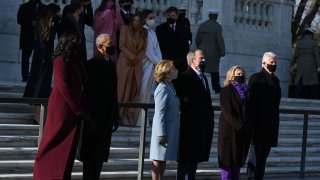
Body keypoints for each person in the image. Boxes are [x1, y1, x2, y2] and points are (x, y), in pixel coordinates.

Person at [33, 31, 88, 180]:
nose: (79, 43)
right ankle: (44, 175)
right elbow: (63, 86)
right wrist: (77, 108)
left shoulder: (76, 59)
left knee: (68, 146)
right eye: (76, 40)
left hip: (74, 108)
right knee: (53, 141)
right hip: (62, 108)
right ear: (68, 42)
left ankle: (61, 175)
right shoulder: (60, 60)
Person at [79, 33, 119, 180]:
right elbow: (87, 92)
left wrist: (116, 115)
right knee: (90, 155)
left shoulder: (112, 64)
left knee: (101, 154)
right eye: (109, 45)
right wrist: (87, 115)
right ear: (100, 47)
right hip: (93, 117)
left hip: (107, 116)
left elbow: (114, 92)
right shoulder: (91, 64)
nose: (112, 47)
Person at [175, 49, 214, 180]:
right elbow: (184, 101)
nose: (204, 61)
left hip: (201, 126)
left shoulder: (204, 78)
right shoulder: (185, 76)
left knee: (194, 164)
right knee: (184, 163)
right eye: (201, 59)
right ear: (192, 61)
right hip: (189, 126)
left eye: (204, 59)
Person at [23, 3, 61, 124]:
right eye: (57, 13)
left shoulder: (51, 24)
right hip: (41, 59)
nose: (58, 15)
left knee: (44, 86)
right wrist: (49, 57)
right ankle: (37, 116)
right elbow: (42, 43)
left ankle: (40, 117)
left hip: (46, 59)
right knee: (39, 85)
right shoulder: (42, 24)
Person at [246, 52, 281, 180]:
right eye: (271, 62)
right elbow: (251, 103)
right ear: (264, 63)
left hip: (270, 126)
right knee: (255, 159)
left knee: (262, 161)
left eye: (275, 62)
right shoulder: (256, 78)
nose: (274, 64)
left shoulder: (276, 80)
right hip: (258, 126)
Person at [218, 66, 251, 180]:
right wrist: (241, 125)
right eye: (238, 74)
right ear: (231, 75)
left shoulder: (247, 91)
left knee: (237, 164)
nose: (240, 76)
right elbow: (228, 112)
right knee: (227, 164)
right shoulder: (226, 90)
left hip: (241, 134)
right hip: (229, 132)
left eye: (242, 74)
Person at [150, 60, 180, 180]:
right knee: (158, 160)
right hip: (163, 131)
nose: (176, 70)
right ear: (167, 73)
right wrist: (161, 134)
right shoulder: (162, 88)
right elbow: (159, 114)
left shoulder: (170, 87)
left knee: (163, 160)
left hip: (170, 130)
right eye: (173, 69)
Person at [117, 12, 147, 126]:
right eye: (134, 20)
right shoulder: (125, 29)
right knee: (123, 88)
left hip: (137, 64)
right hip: (125, 62)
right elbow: (121, 45)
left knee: (135, 89)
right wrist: (132, 57)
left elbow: (144, 49)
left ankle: (130, 113)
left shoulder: (144, 32)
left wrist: (137, 58)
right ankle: (121, 114)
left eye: (138, 21)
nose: (136, 23)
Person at [195, 8, 225, 94]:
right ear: (216, 17)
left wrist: (199, 48)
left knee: (200, 69)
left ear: (209, 16)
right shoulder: (217, 26)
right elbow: (219, 40)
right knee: (214, 70)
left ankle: (199, 85)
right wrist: (222, 51)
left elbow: (197, 39)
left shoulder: (202, 25)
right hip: (213, 51)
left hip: (202, 49)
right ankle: (216, 88)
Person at [17, 0, 46, 82]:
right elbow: (19, 20)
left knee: (39, 58)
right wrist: (30, 23)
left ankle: (37, 76)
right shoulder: (24, 7)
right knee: (25, 58)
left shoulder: (44, 7)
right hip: (27, 37)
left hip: (40, 37)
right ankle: (25, 77)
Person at [156, 6, 190, 74]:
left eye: (173, 16)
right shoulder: (160, 29)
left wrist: (180, 59)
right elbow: (159, 46)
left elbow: (186, 46)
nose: (171, 17)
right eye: (169, 15)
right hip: (166, 62)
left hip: (180, 63)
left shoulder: (183, 28)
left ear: (177, 16)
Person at [294, 27, 320, 99]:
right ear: (311, 34)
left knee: (299, 81)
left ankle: (297, 97)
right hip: (311, 65)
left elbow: (296, 55)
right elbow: (317, 55)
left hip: (300, 64)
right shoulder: (314, 43)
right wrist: (319, 66)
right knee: (313, 83)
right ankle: (313, 99)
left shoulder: (299, 42)